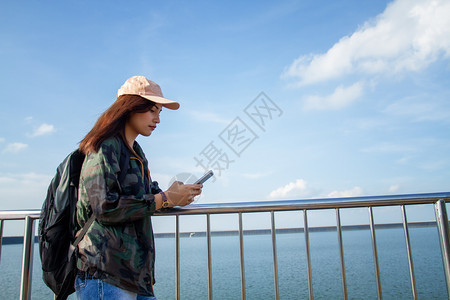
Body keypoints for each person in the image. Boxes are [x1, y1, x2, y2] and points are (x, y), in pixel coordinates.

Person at [75, 75, 203, 299]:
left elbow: (144, 198)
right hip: (106, 273)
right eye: (152, 110)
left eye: (159, 113)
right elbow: (105, 206)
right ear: (130, 107)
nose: (158, 119)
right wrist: (165, 199)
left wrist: (175, 195)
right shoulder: (104, 147)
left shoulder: (136, 152)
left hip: (135, 275)